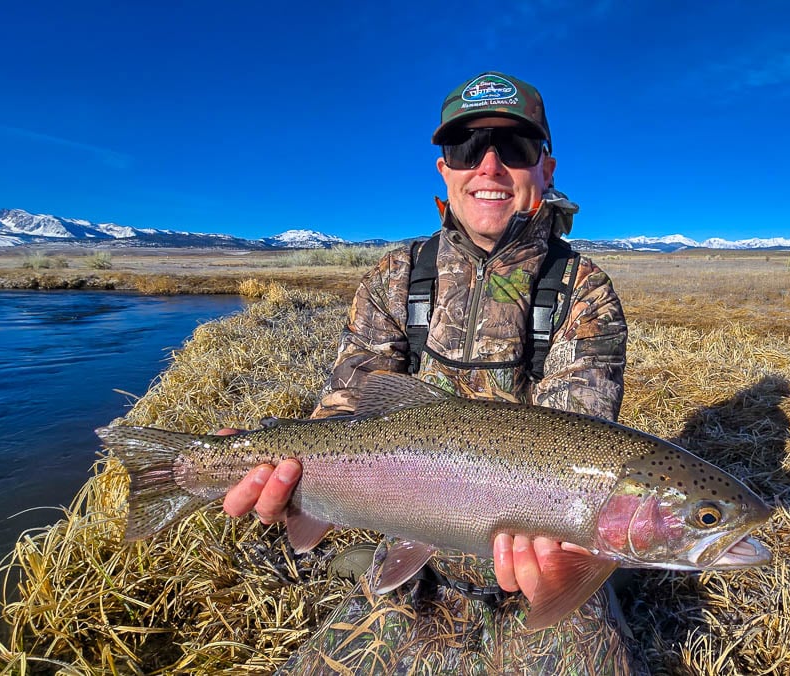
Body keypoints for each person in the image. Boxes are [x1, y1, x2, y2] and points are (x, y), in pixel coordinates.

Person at [222, 71, 639, 673]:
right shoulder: (397, 275)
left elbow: (574, 442)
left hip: (541, 565)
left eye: (513, 148)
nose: (489, 166)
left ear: (546, 168)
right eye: (466, 147)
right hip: (411, 556)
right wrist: (277, 475)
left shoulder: (584, 290)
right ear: (445, 169)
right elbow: (343, 411)